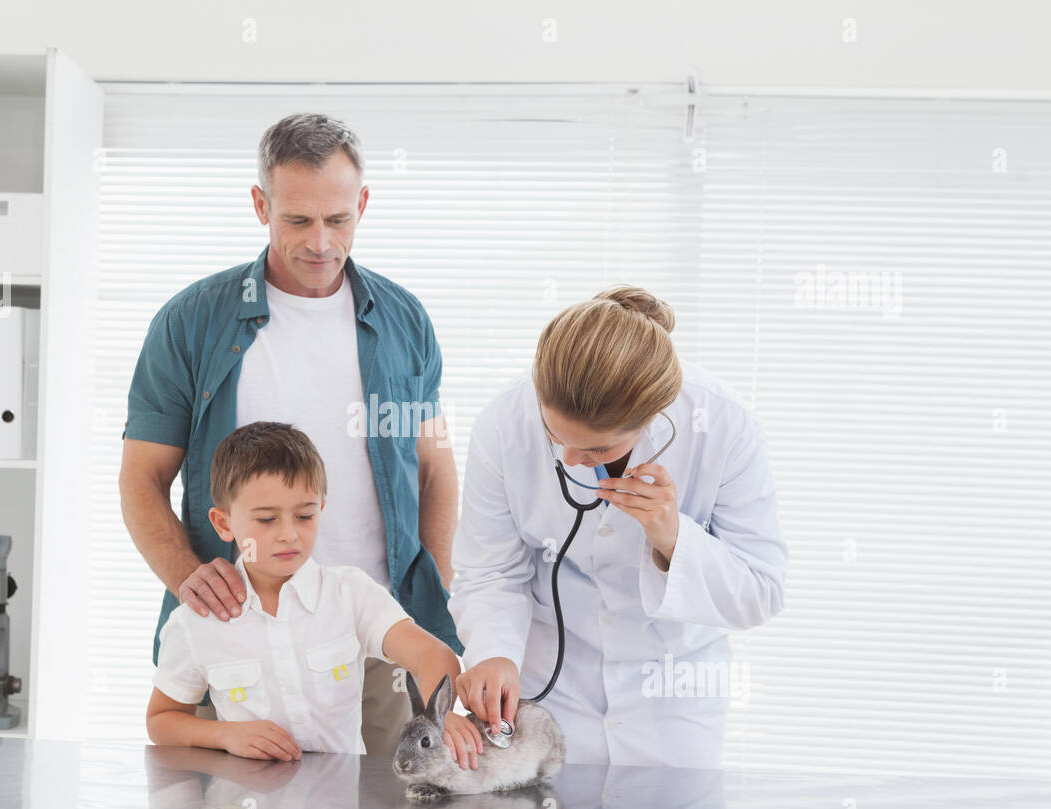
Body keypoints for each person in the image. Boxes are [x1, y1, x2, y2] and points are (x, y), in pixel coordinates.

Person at [120, 113, 461, 755]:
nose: (321, 243)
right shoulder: (191, 322)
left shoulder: (405, 321)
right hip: (243, 634)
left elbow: (437, 468)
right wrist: (185, 572)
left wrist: (430, 591)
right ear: (260, 205)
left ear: (362, 204)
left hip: (381, 631)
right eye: (297, 221)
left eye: (338, 220)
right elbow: (141, 477)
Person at [450, 286, 788, 768]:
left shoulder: (725, 426)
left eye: (597, 451)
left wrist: (671, 537)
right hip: (550, 686)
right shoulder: (503, 422)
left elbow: (761, 591)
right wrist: (493, 652)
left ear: (655, 417)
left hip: (672, 695)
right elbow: (490, 571)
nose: (570, 460)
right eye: (554, 437)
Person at [146, 422, 481, 764]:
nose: (289, 534)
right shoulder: (195, 621)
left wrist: (441, 716)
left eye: (304, 515)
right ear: (224, 524)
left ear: (320, 508)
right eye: (266, 520)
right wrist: (225, 735)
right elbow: (161, 720)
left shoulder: (351, 594)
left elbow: (432, 655)